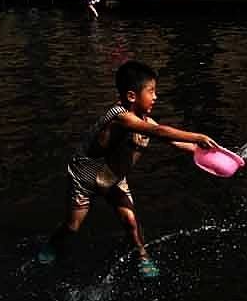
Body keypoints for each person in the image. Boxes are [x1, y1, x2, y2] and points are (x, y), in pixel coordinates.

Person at [38, 61, 219, 277]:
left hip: (113, 176)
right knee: (73, 226)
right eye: (151, 91)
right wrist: (198, 136)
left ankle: (142, 257)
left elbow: (176, 142)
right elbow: (161, 132)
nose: (156, 97)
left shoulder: (144, 121)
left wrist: (207, 152)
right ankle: (52, 245)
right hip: (85, 177)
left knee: (131, 221)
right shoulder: (120, 118)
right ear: (132, 96)